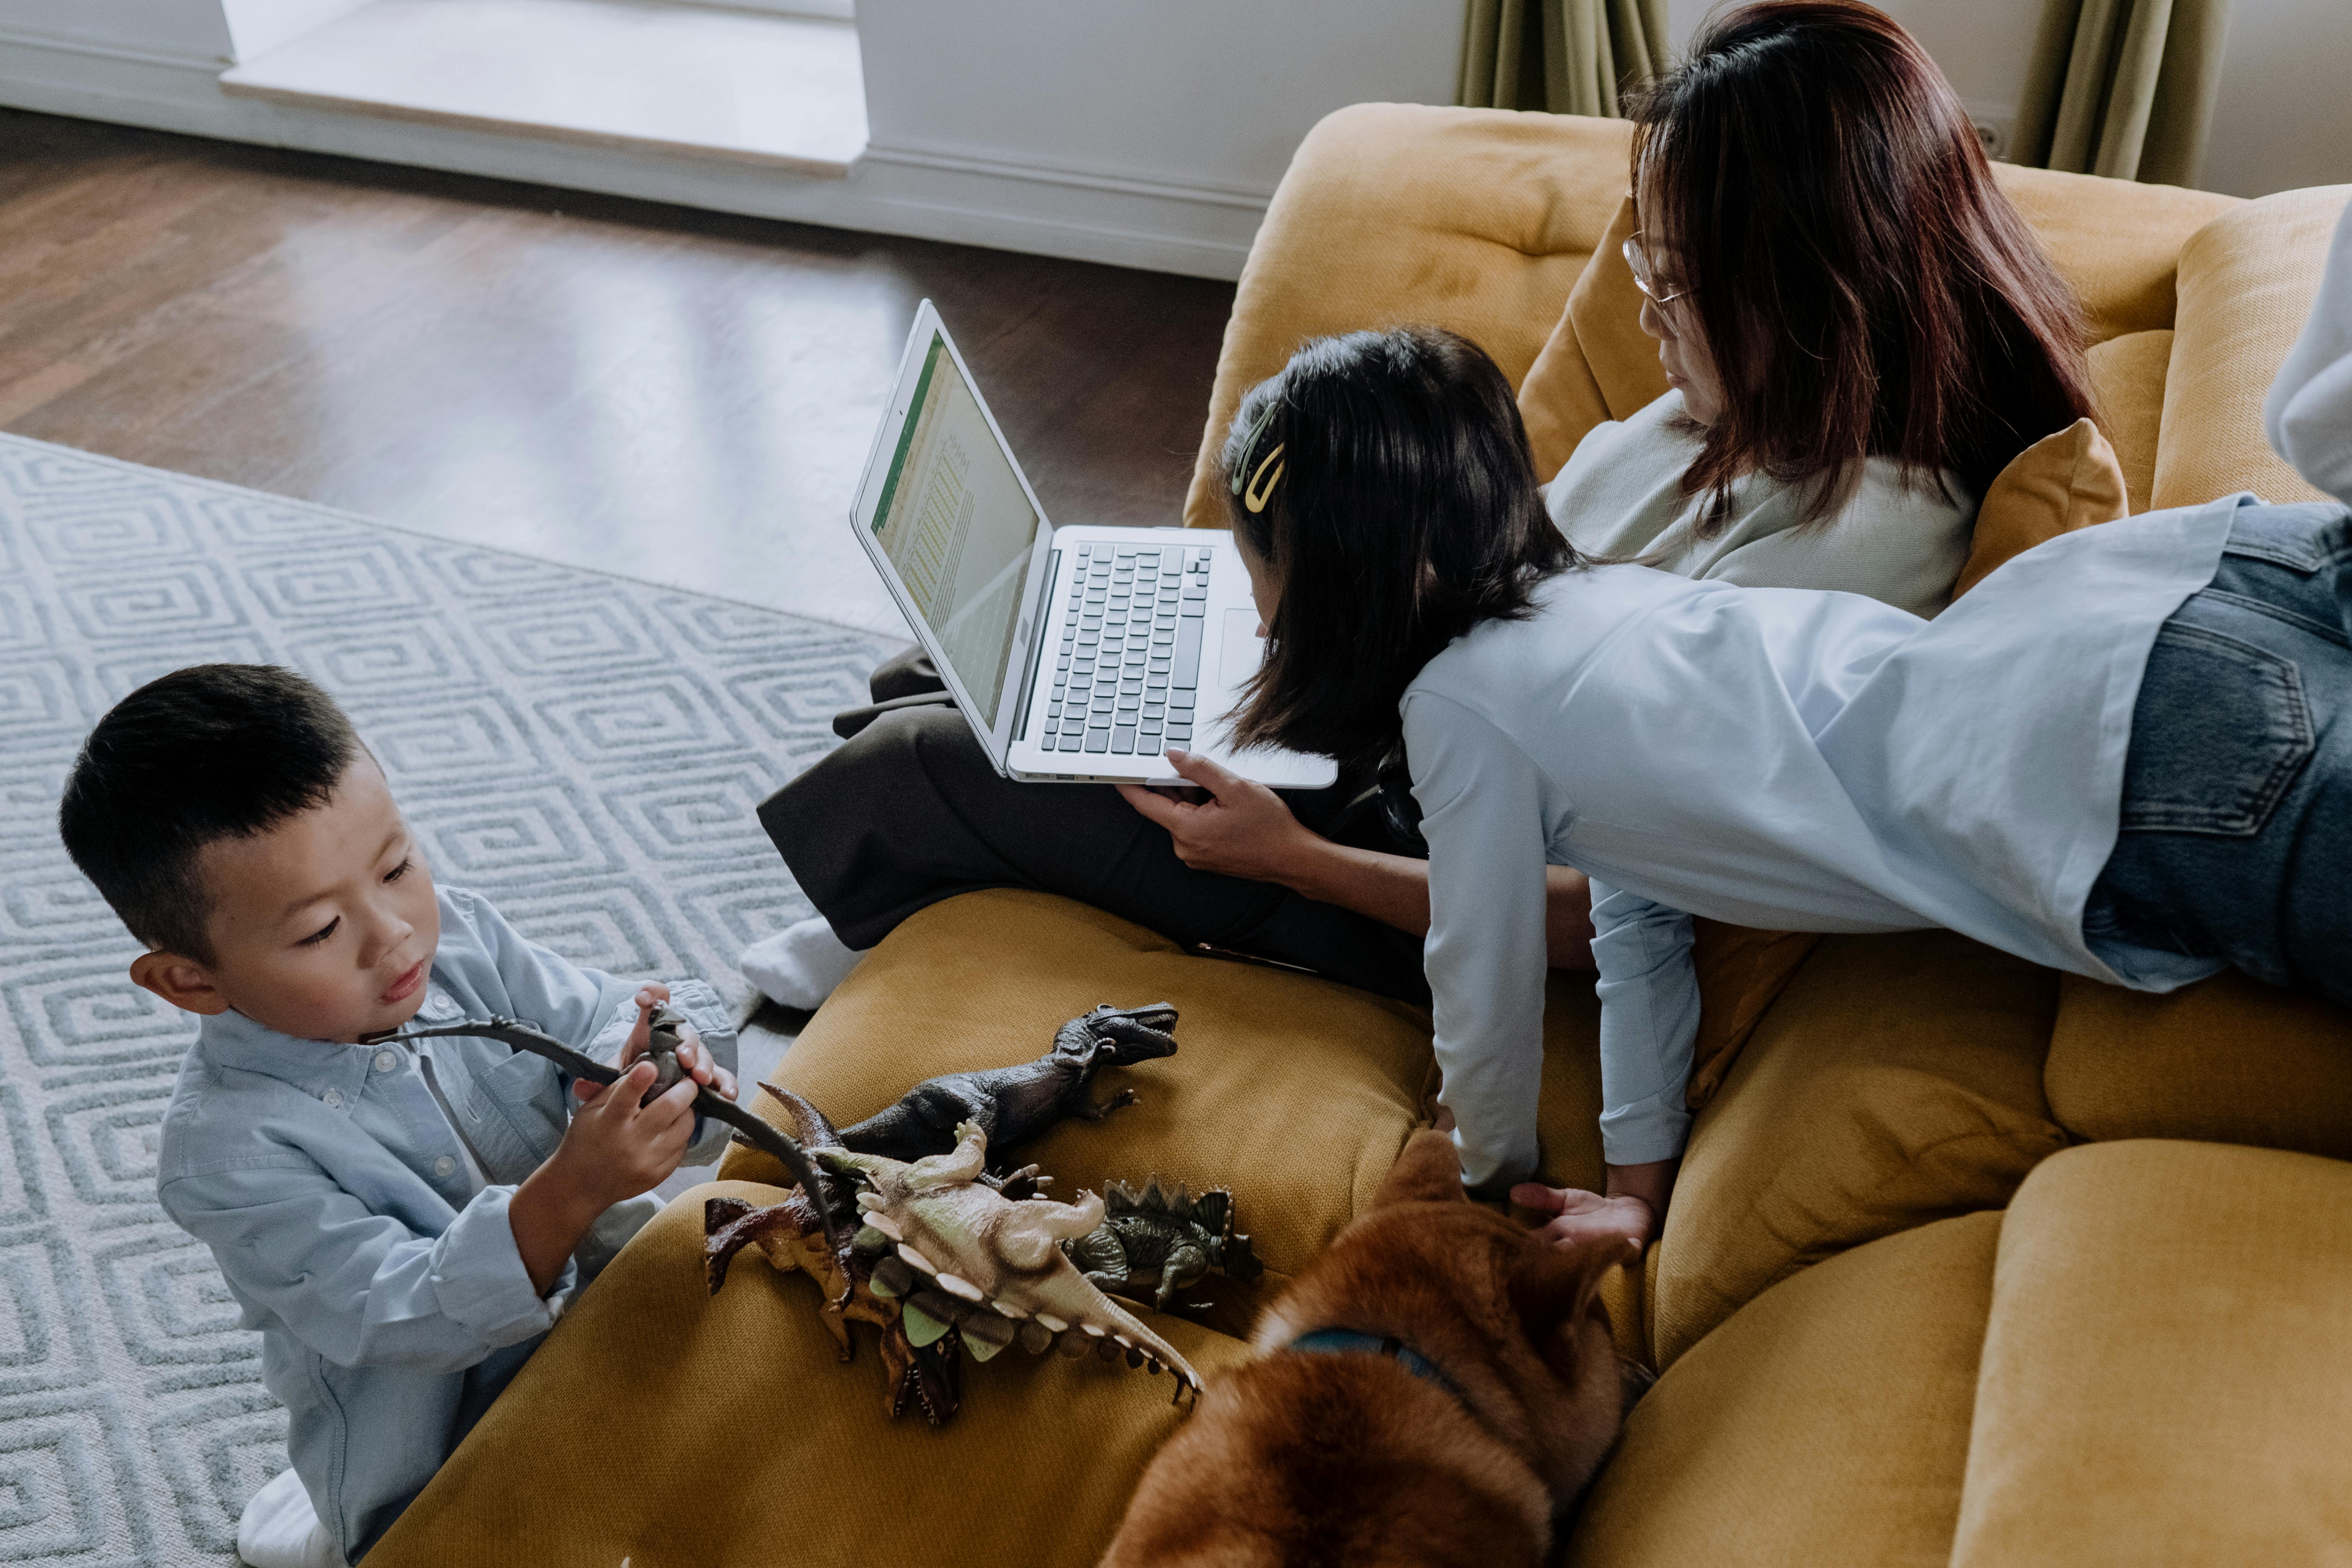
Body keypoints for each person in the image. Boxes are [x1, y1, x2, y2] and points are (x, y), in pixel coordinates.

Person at [745, 0, 2096, 1015]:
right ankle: (923, 877)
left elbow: (1608, 915)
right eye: (1648, 262)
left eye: (1677, 283)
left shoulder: (1847, 560)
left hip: (1412, 877)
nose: (1646, 309)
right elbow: (1533, 587)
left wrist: (1288, 860)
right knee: (970, 662)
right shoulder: (1744, 412)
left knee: (921, 760)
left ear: (1814, 291)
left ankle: (866, 920)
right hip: (1404, 741)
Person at [1202, 307, 2349, 1252]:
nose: (1254, 607)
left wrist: (1485, 1196)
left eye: (1257, 567)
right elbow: (1639, 918)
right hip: (2201, 586)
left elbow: (1481, 983)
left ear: (1342, 588)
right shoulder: (1593, 605)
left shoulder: (1457, 709)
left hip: (2137, 749)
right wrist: (1637, 1188)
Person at [56, 665, 743, 1567]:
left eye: (396, 866)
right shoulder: (226, 1155)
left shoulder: (458, 934)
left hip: (624, 1303)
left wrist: (662, 1053)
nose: (395, 935)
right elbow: (399, 1314)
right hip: (436, 1442)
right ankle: (330, 1520)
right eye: (316, 933)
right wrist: (572, 1188)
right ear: (190, 981)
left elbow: (602, 1015)